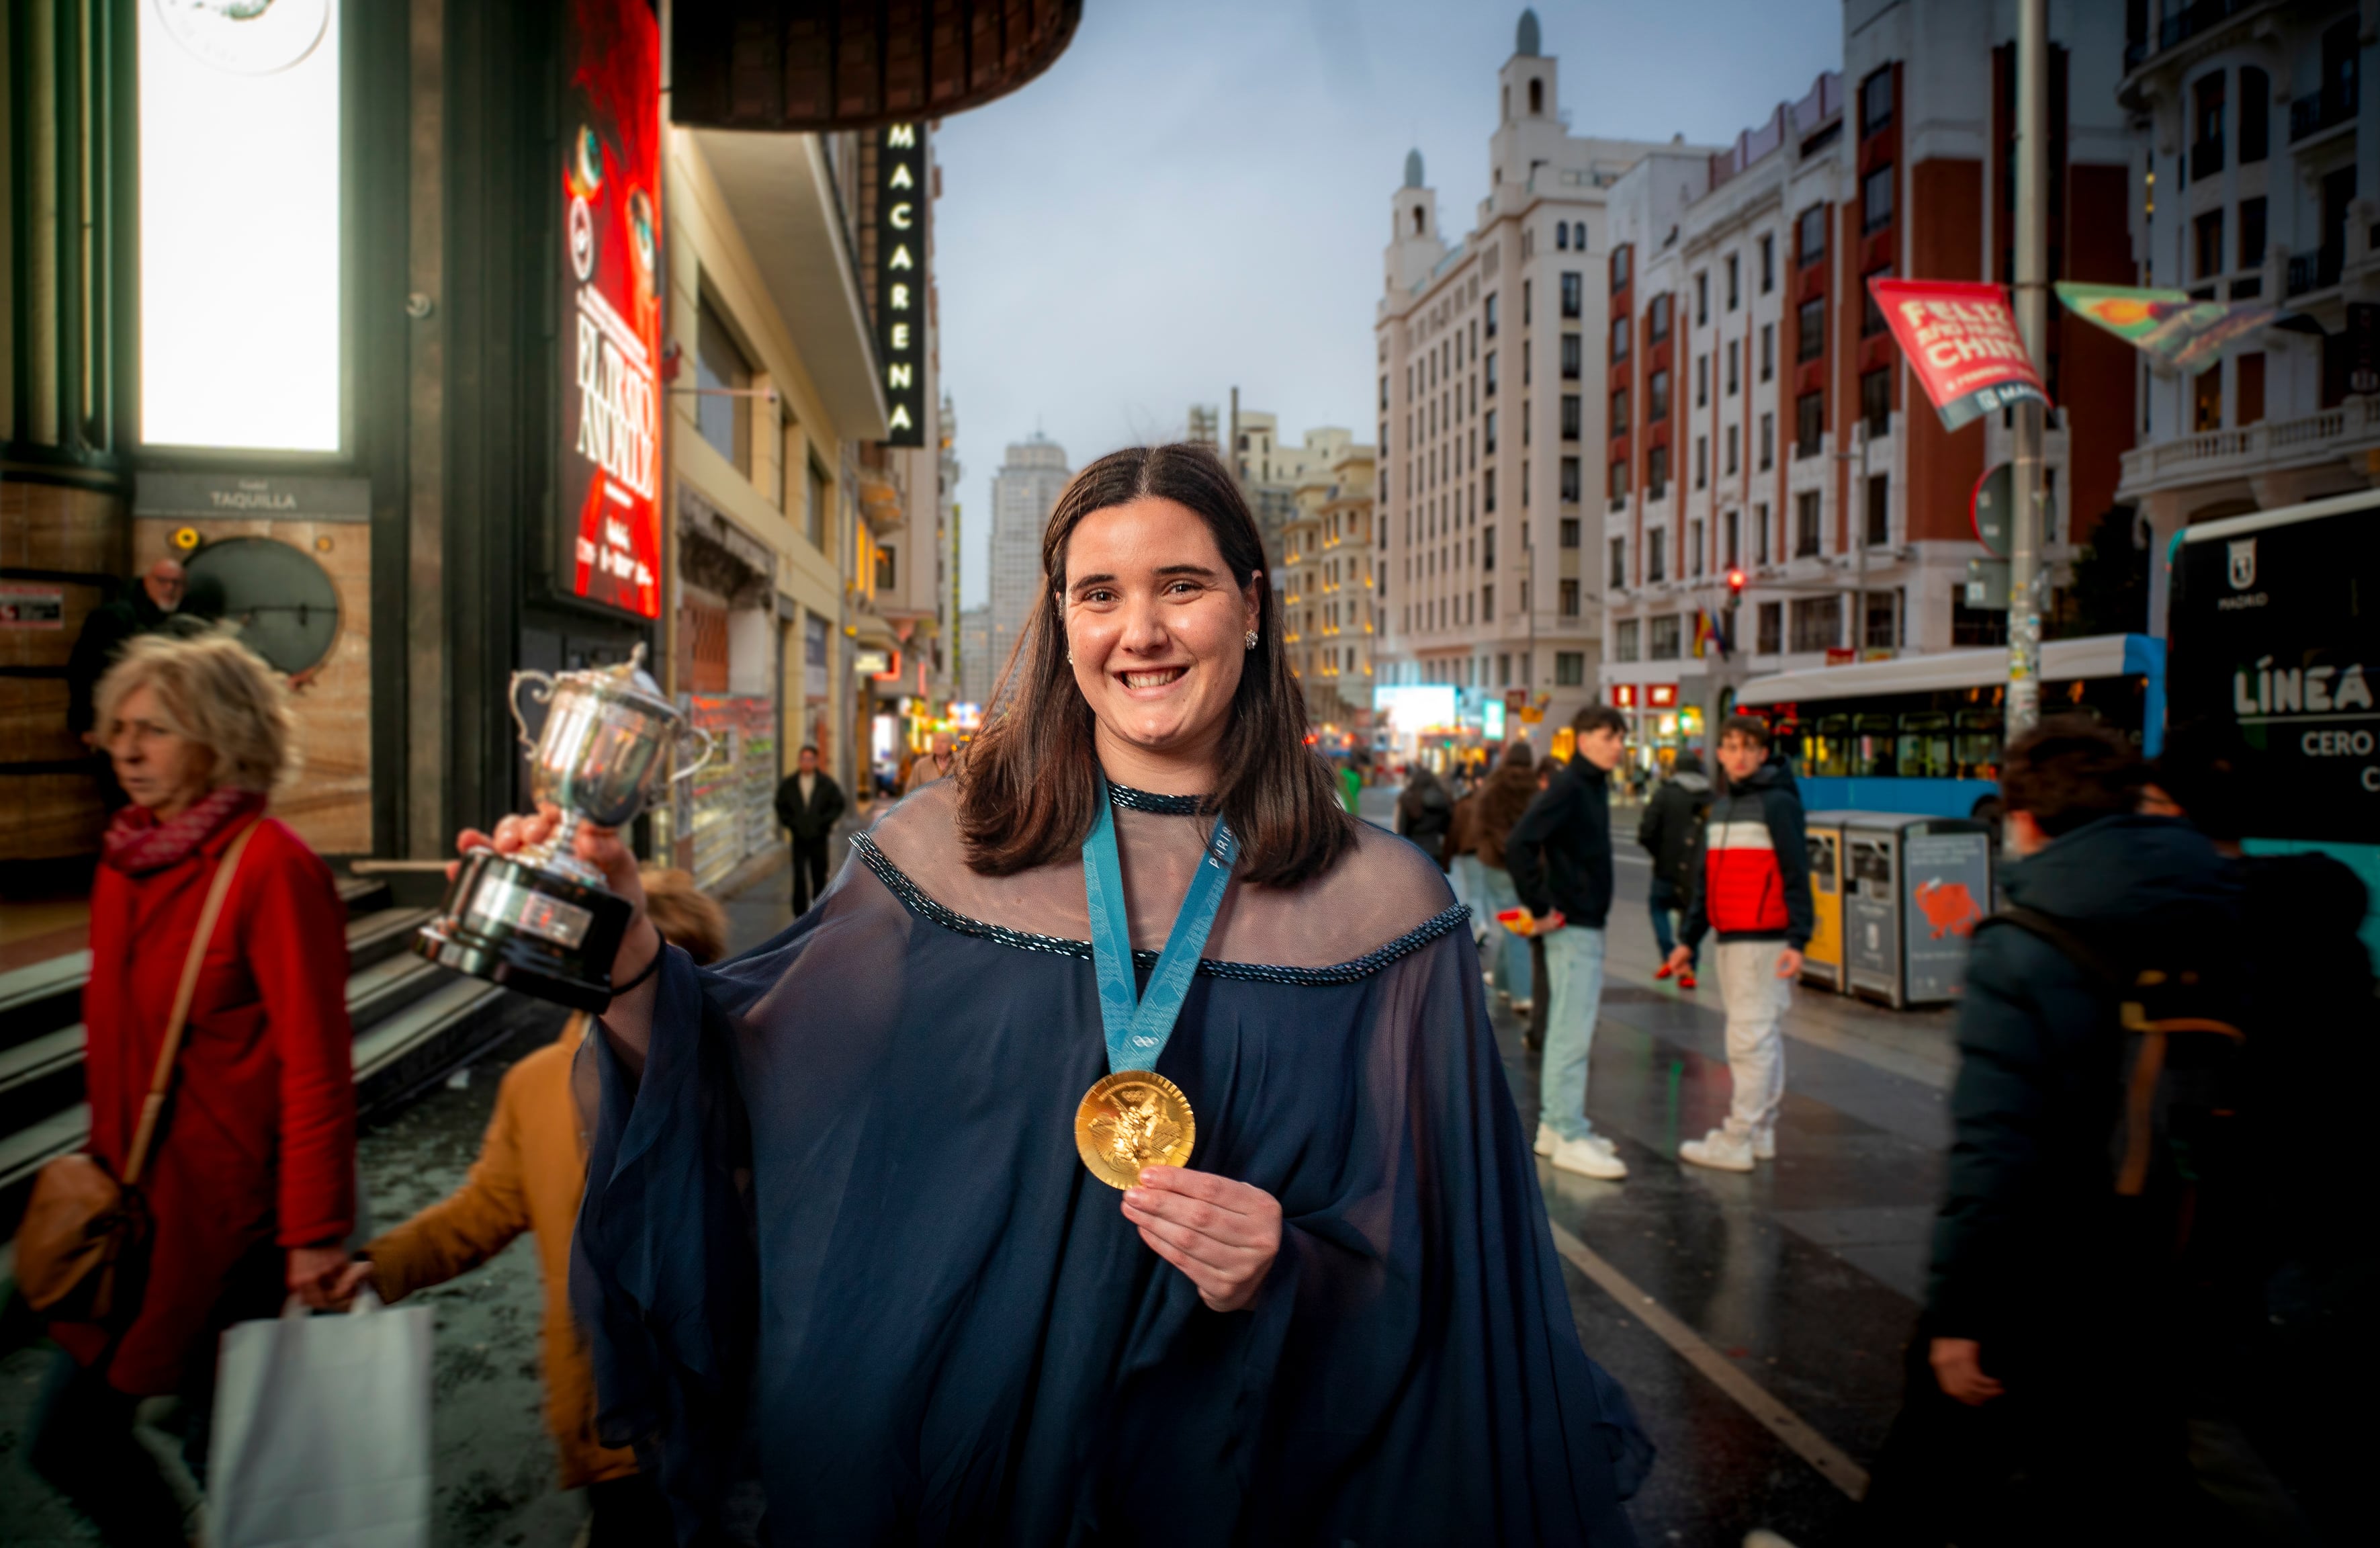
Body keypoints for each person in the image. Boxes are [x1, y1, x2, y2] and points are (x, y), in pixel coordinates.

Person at [468, 444, 1648, 1541]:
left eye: (1180, 586)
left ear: (1250, 604)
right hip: (955, 1469)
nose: (1139, 632)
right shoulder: (934, 852)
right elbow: (744, 1091)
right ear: (1061, 620)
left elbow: (1449, 1255)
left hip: (1229, 1476)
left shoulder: (1383, 905)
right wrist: (622, 947)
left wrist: (1287, 1264)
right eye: (1098, 595)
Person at [1857, 719, 2242, 1544]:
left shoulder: (2024, 945)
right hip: (2175, 1255)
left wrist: (1958, 1314)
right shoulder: (2218, 904)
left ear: (2024, 821)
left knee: (1923, 1475)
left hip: (2041, 1267)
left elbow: (1995, 1148)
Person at [30, 630, 356, 1547]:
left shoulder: (271, 867)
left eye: (156, 730)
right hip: (132, 1214)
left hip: (232, 1230)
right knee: (70, 1443)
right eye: (119, 727)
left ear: (222, 739)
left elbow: (318, 1067)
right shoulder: (126, 859)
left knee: (244, 1465)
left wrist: (314, 1234)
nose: (127, 749)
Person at [335, 870, 728, 1547]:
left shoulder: (739, 1076)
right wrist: (378, 1269)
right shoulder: (538, 1085)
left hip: (725, 1407)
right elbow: (485, 1209)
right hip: (606, 1404)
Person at [1665, 717, 1812, 1172]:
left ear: (1763, 753)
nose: (1740, 755)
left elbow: (1796, 871)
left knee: (1749, 1040)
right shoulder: (1723, 808)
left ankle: (1738, 1137)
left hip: (1761, 940)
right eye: (1731, 746)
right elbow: (1705, 882)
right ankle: (1760, 1129)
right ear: (1720, 754)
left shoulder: (1777, 804)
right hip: (1732, 937)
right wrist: (1688, 941)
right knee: (1759, 1036)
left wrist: (1797, 939)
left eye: (1749, 747)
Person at [1507, 707, 1630, 1181]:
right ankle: (1566, 1129)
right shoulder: (1572, 786)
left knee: (1566, 1027)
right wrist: (1541, 906)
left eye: (1620, 737)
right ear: (1582, 740)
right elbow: (1520, 842)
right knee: (1572, 1030)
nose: (1617, 746)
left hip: (1579, 921)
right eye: (1608, 736)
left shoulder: (1587, 785)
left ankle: (1557, 1129)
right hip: (1573, 924)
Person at [64, 558, 188, 811]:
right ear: (147, 582)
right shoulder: (115, 617)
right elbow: (85, 669)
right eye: (163, 581)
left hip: (158, 726)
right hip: (116, 724)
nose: (170, 588)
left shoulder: (179, 622)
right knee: (125, 800)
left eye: (177, 583)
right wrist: (88, 722)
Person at [1473, 739, 1539, 1015]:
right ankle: (1518, 991)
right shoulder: (1535, 789)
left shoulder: (1493, 786)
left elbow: (1481, 823)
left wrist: (1500, 846)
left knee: (1513, 924)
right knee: (1517, 923)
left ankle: (1509, 987)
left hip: (1496, 864)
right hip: (1526, 865)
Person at [1637, 749, 1712, 988]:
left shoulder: (1664, 794)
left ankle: (1670, 955)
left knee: (1658, 907)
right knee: (1691, 918)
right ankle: (1689, 970)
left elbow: (1646, 832)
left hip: (1666, 868)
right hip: (1697, 871)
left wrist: (1659, 853)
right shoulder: (1710, 797)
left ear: (1675, 769)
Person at [773, 744, 846, 916]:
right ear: (799, 761)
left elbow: (838, 804)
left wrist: (824, 822)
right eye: (803, 759)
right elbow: (780, 805)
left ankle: (819, 912)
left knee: (819, 874)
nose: (806, 762)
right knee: (799, 875)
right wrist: (791, 823)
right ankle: (799, 914)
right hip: (799, 837)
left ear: (816, 761)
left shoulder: (825, 784)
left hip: (819, 837)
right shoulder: (790, 784)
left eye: (810, 759)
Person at [1393, 761, 1453, 866]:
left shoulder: (1408, 799)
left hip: (1413, 851)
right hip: (1434, 850)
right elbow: (1446, 828)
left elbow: (1402, 829)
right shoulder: (1442, 799)